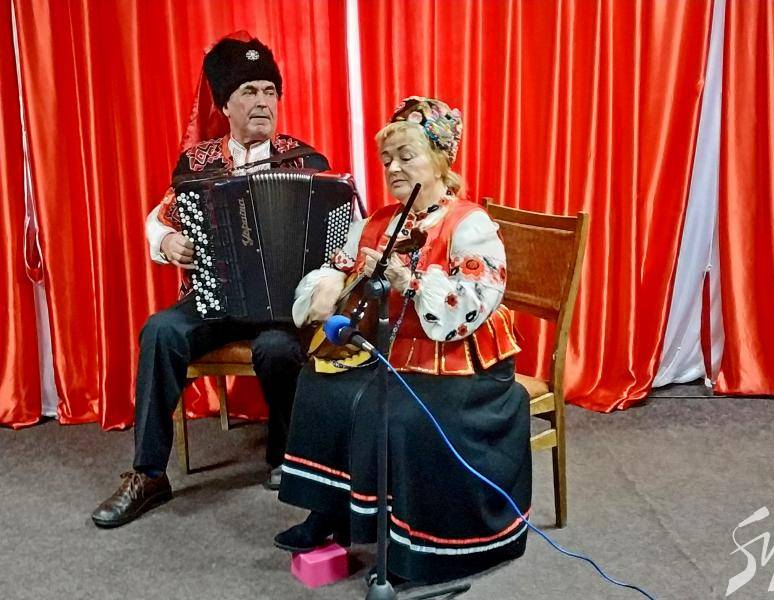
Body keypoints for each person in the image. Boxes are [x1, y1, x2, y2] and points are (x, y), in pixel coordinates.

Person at [274, 96, 531, 585]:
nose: (393, 167)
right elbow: (340, 266)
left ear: (439, 159)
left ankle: (420, 548)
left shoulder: (468, 223)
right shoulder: (380, 222)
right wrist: (330, 286)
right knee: (320, 387)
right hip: (399, 355)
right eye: (387, 159)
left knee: (400, 415)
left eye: (406, 156)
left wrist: (410, 282)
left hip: (466, 366)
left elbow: (475, 302)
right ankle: (331, 512)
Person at [91, 35, 329, 529]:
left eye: (269, 91)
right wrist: (169, 243)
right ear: (225, 105)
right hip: (214, 297)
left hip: (280, 305)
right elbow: (160, 218)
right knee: (161, 331)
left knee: (278, 349)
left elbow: (341, 229)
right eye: (249, 91)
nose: (262, 101)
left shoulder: (307, 162)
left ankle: (286, 455)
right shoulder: (197, 163)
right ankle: (148, 474)